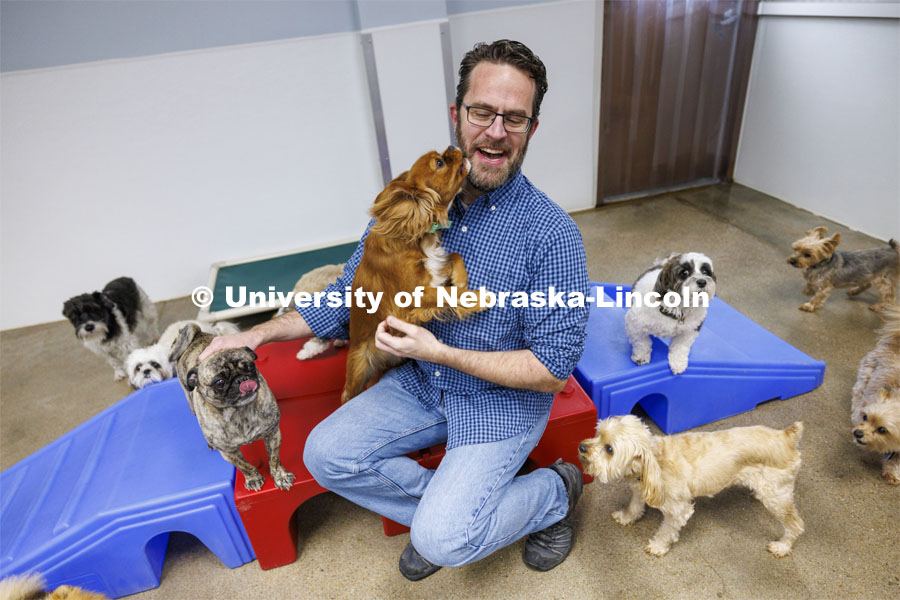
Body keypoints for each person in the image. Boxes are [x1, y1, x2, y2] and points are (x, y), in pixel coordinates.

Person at [201, 39, 590, 579]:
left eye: (515, 118)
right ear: (457, 115)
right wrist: (260, 335)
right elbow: (348, 298)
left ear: (531, 129)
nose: (496, 131)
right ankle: (454, 521)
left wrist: (440, 350)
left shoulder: (553, 235)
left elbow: (550, 371)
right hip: (424, 381)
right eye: (483, 112)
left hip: (503, 400)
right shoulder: (410, 202)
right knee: (325, 454)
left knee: (444, 539)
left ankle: (553, 493)